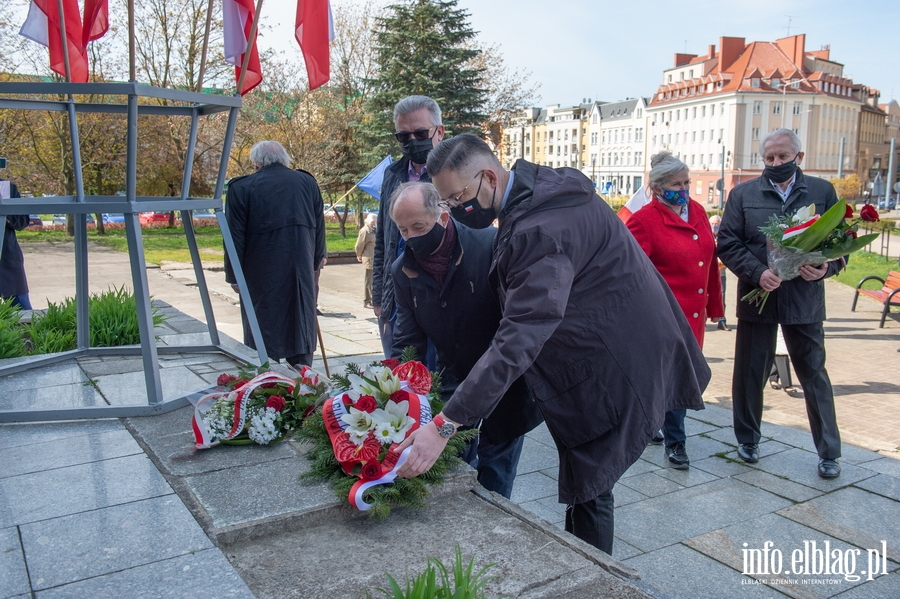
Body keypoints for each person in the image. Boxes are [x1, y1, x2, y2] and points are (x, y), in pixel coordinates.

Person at [395, 133, 710, 555]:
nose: (454, 209)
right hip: (613, 346)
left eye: (456, 198)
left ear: (488, 177)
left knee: (591, 483)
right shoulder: (538, 193)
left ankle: (592, 578)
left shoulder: (541, 227)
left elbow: (519, 336)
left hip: (614, 362)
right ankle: (585, 565)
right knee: (588, 483)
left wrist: (445, 424)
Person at [389, 181, 542, 499]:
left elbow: (518, 327)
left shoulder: (491, 244)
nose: (411, 238)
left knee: (495, 475)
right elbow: (408, 342)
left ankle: (489, 536)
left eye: (418, 226)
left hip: (506, 381)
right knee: (451, 463)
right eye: (403, 231)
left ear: (442, 216)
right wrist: (400, 393)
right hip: (455, 376)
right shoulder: (403, 271)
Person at [717, 128, 844, 479]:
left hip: (804, 300)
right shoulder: (742, 194)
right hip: (758, 298)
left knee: (813, 374)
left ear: (798, 158)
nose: (775, 163)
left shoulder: (822, 191)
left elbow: (840, 243)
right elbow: (727, 243)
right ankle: (747, 439)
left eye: (782, 157)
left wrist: (825, 268)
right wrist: (757, 273)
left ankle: (829, 452)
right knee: (749, 373)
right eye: (769, 158)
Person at [626, 152, 724, 470]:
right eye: (675, 184)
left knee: (677, 376)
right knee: (673, 378)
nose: (682, 190)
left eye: (686, 183)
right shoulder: (644, 221)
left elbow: (709, 263)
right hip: (665, 316)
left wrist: (716, 307)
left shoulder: (696, 211)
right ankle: (676, 442)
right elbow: (636, 274)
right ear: (656, 187)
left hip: (694, 316)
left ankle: (653, 424)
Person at [224, 140, 326, 368]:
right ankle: (303, 379)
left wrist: (234, 276)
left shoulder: (241, 188)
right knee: (300, 322)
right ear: (284, 159)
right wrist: (318, 259)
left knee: (263, 328)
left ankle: (266, 379)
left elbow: (234, 236)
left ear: (257, 163)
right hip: (301, 269)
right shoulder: (307, 182)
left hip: (260, 274)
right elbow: (319, 225)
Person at [372, 95, 444, 358]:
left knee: (435, 384)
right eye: (403, 136)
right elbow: (384, 236)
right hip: (396, 299)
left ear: (439, 132)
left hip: (438, 299)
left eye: (421, 132)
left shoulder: (453, 174)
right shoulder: (392, 174)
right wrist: (379, 297)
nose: (412, 141)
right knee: (397, 383)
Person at [0, 178, 31, 310]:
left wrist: (4, 211)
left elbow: (22, 221)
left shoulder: (7, 188)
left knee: (22, 312)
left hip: (6, 259)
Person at [708, 214, 730, 331]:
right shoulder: (705, 235)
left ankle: (722, 320)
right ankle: (705, 320)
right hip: (707, 272)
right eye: (712, 224)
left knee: (721, 295)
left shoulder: (723, 237)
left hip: (721, 272)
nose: (714, 226)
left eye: (717, 224)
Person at [355, 213, 377, 308]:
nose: (375, 223)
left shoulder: (373, 230)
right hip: (369, 259)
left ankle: (373, 299)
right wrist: (358, 254)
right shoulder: (365, 231)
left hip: (374, 258)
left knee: (374, 280)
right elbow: (359, 245)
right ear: (371, 221)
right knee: (369, 280)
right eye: (374, 222)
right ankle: (367, 301)